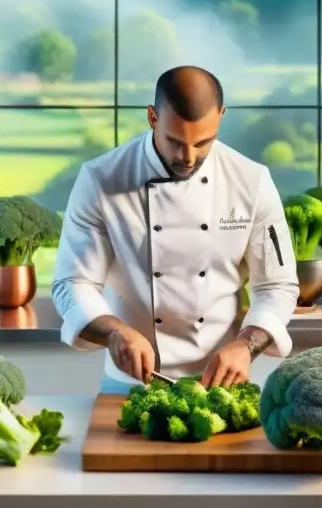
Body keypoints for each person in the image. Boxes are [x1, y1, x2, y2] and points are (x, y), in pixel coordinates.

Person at [51, 66, 300, 392]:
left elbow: (277, 286)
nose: (188, 157)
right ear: (152, 117)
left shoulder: (251, 182)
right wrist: (114, 332)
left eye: (203, 142)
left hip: (222, 385)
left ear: (222, 116)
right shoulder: (101, 180)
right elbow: (73, 282)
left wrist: (246, 346)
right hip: (131, 383)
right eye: (175, 141)